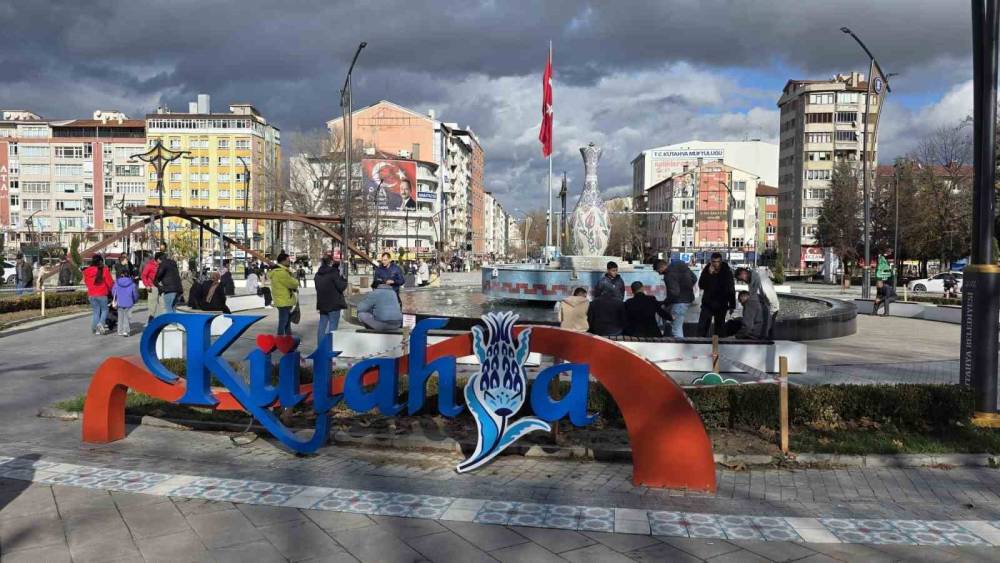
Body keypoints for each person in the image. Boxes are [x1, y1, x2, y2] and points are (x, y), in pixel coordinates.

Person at [697, 252, 736, 337]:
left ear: (721, 261)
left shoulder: (726, 272)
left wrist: (732, 305)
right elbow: (701, 285)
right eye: (713, 261)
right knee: (702, 326)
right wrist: (709, 274)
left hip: (721, 304)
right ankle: (700, 341)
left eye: (717, 261)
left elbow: (731, 288)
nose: (715, 264)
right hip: (707, 303)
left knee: (719, 328)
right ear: (711, 261)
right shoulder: (707, 270)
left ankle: (719, 343)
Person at [735, 266, 781, 338]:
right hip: (763, 312)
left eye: (741, 279)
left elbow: (773, 303)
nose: (742, 281)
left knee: (767, 335)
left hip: (770, 312)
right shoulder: (751, 281)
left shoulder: (762, 282)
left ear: (744, 273)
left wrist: (768, 319)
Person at [658, 258, 697, 338]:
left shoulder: (668, 275)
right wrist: (687, 288)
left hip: (679, 302)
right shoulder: (681, 267)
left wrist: (665, 302)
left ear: (661, 267)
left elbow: (674, 293)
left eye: (657, 270)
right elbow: (694, 278)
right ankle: (662, 334)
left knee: (676, 329)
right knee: (663, 312)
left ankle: (680, 344)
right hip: (686, 299)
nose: (658, 273)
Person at [315, 254, 348, 348]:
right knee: (333, 326)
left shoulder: (317, 274)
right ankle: (330, 346)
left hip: (322, 304)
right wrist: (344, 279)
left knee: (322, 326)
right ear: (330, 262)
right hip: (334, 304)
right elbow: (341, 287)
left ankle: (320, 347)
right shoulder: (333, 273)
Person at [83, 255, 114, 335]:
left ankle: (94, 328)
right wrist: (112, 290)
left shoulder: (87, 271)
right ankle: (100, 324)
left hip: (91, 294)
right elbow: (110, 283)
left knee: (96, 312)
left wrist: (91, 288)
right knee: (105, 310)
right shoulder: (104, 270)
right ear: (101, 261)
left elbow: (86, 282)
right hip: (102, 294)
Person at [270, 252, 300, 336]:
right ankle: (280, 338)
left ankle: (288, 338)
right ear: (283, 261)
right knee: (283, 321)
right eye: (288, 260)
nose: (289, 262)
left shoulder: (279, 271)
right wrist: (295, 278)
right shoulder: (281, 272)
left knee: (286, 321)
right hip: (284, 300)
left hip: (282, 299)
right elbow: (293, 284)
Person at [111, 270, 139, 336]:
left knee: (120, 317)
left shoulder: (117, 282)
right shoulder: (132, 283)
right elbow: (135, 294)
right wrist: (134, 300)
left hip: (119, 302)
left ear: (122, 275)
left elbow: (113, 292)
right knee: (127, 317)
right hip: (129, 302)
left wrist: (117, 298)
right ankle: (126, 331)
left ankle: (120, 331)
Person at [141, 255, 160, 323]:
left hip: (161, 287)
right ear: (157, 259)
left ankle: (159, 322)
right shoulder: (149, 265)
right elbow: (143, 276)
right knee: (152, 306)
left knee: (162, 306)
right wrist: (147, 285)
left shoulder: (161, 265)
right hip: (152, 287)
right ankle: (150, 322)